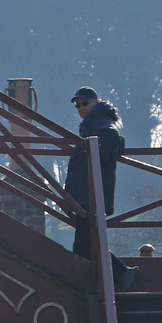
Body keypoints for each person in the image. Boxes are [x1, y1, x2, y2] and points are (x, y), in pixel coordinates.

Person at [63, 86, 137, 292]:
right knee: (88, 242)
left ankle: (109, 279)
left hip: (91, 194)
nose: (80, 107)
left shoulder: (99, 123)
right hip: (89, 193)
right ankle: (120, 274)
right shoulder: (93, 124)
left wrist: (98, 161)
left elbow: (113, 139)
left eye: (84, 103)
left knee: (83, 246)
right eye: (77, 105)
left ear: (96, 102)